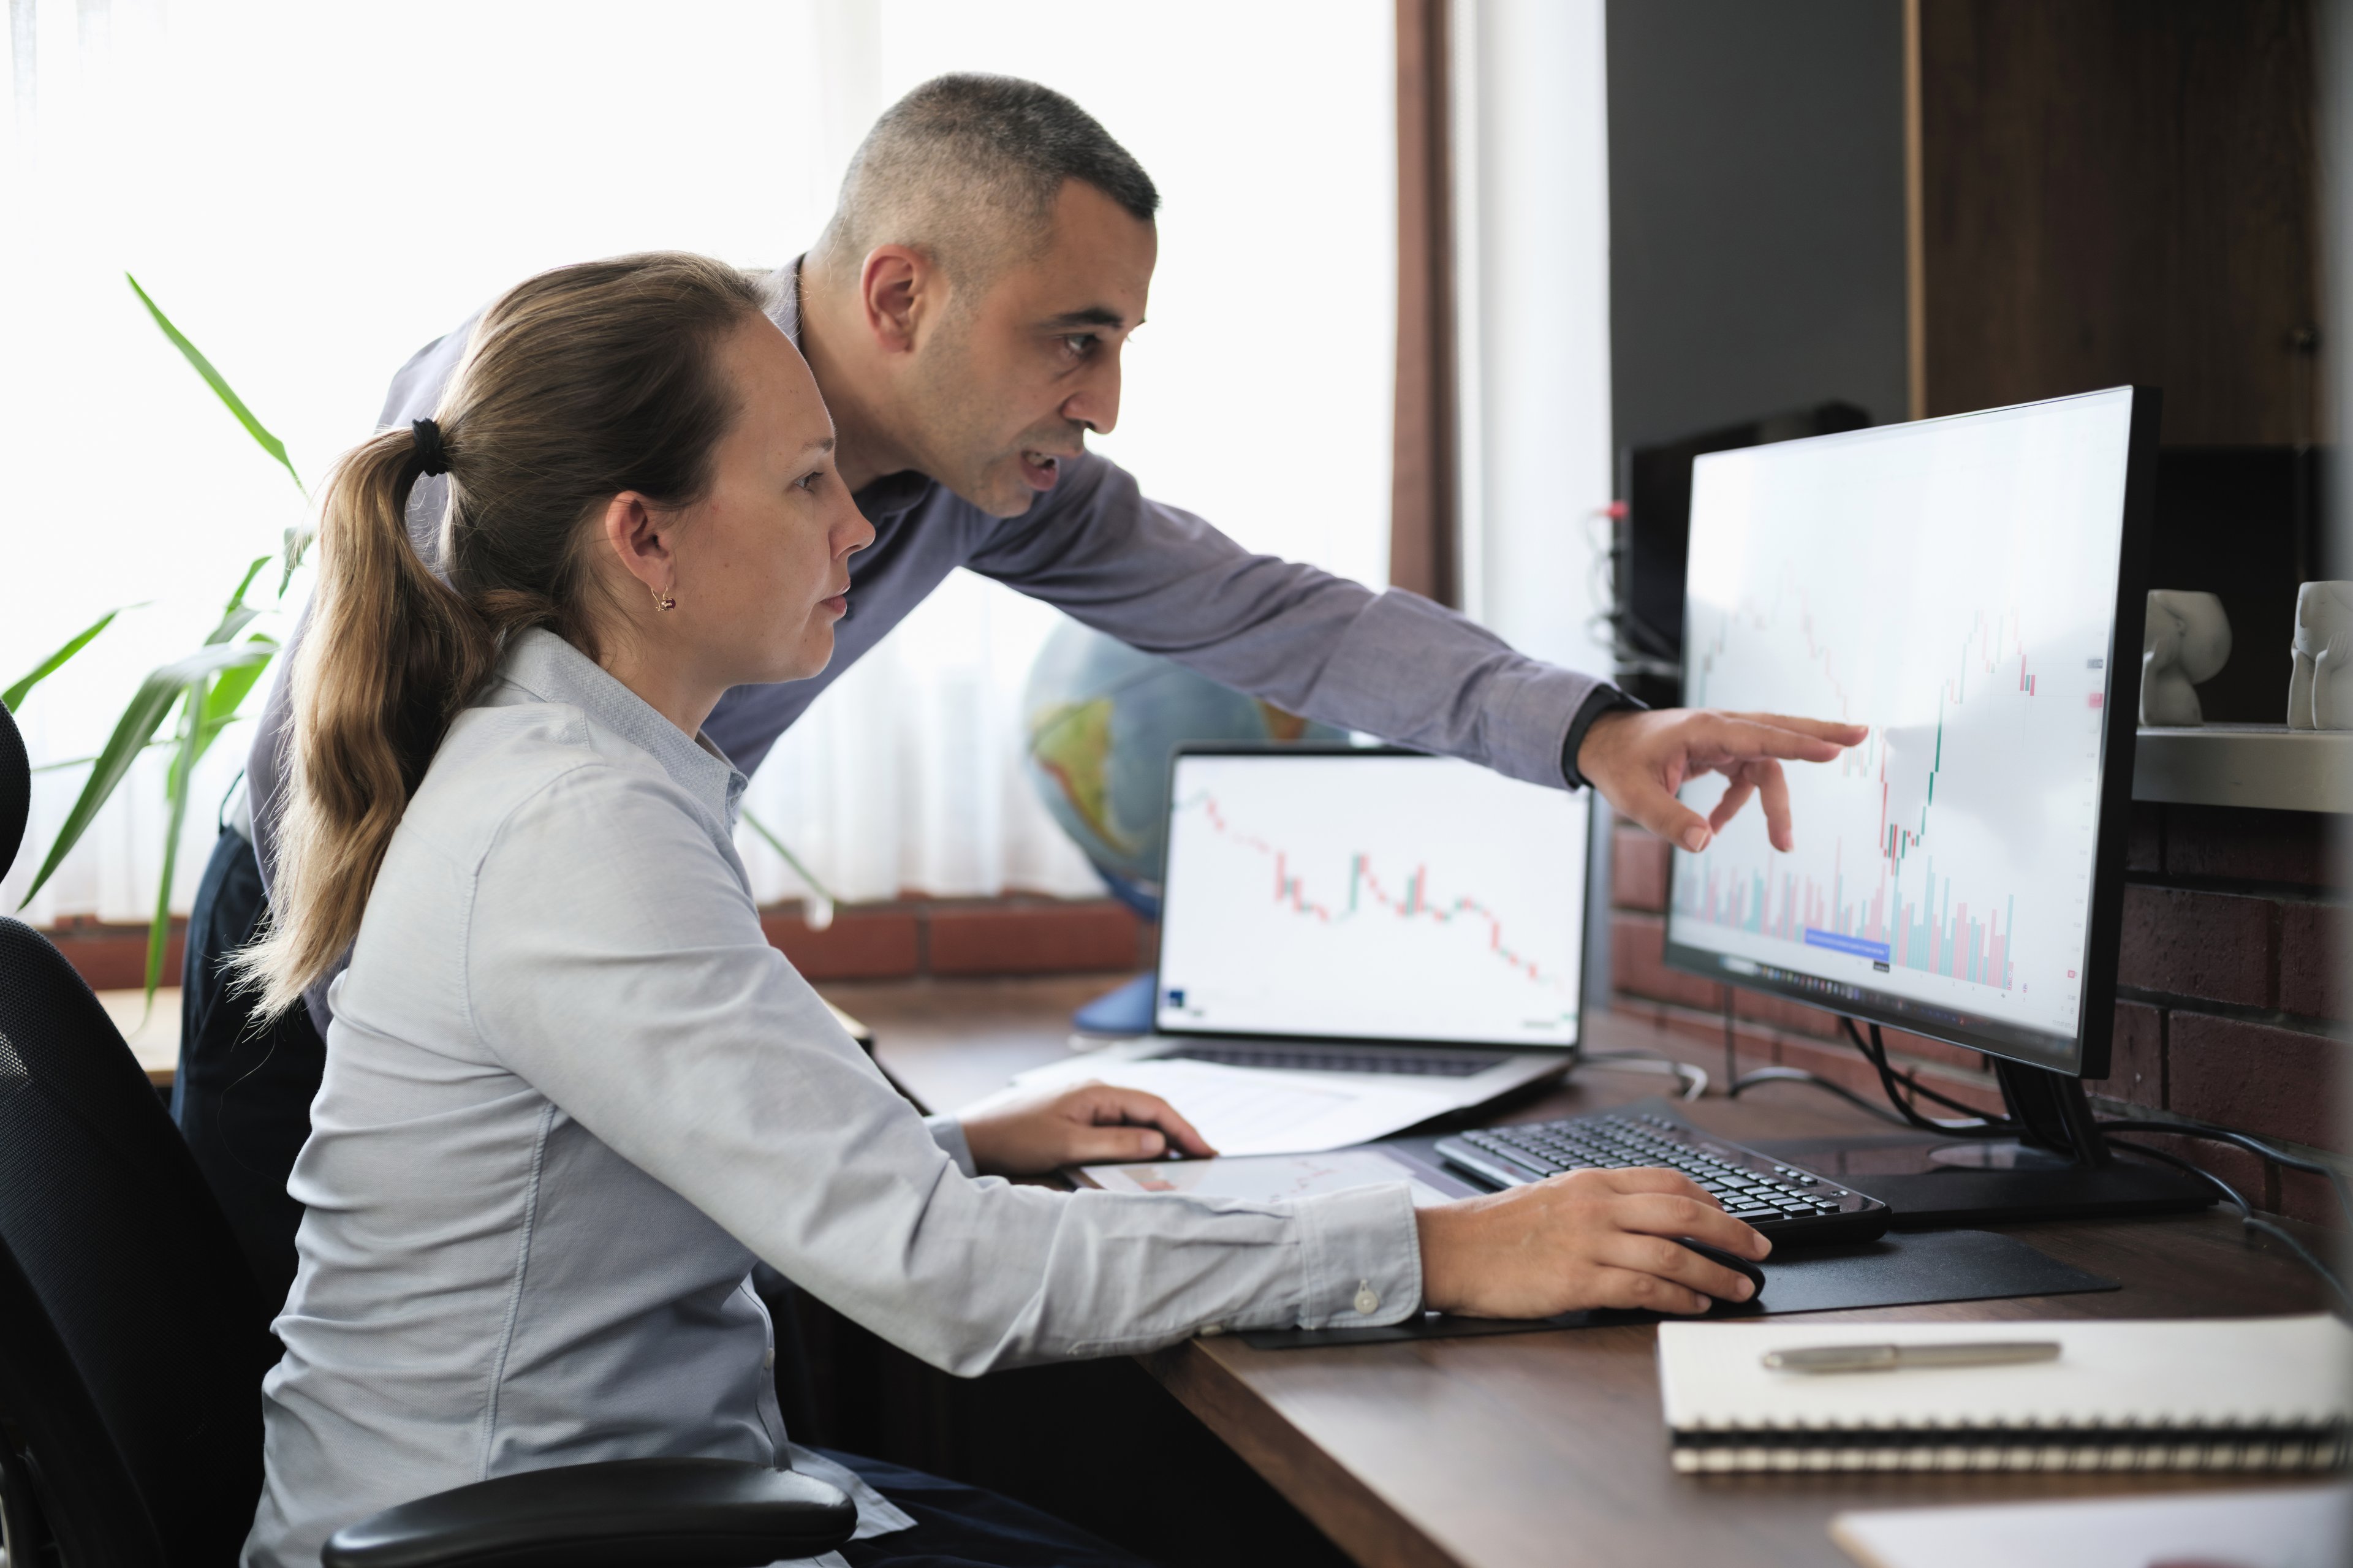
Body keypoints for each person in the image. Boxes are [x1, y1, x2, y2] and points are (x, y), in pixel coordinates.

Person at [178, 72, 1863, 1315]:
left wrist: (1593, 729)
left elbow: (1268, 612)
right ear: (904, 294)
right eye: (1075, 339)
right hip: (329, 937)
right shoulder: (599, 405)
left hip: (584, 987)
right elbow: (435, 905)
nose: (1107, 402)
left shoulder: (980, 483)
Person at [238, 251, 1774, 1568]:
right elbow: (947, 1277)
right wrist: (1444, 1251)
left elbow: (632, 1153)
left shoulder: (576, 764)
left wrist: (959, 1139)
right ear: (642, 540)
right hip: (541, 1530)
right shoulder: (576, 826)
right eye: (803, 483)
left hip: (613, 1489)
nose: (860, 528)